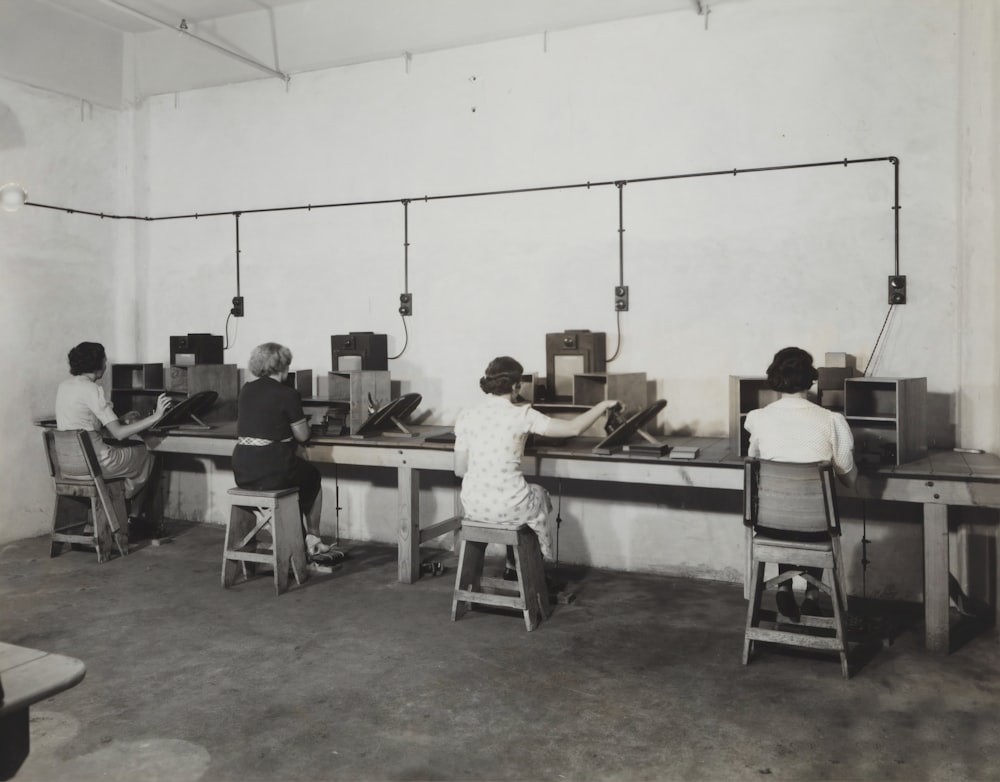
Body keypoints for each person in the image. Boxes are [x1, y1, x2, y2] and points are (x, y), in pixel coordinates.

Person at [454, 356, 619, 577]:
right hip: (510, 506)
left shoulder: (466, 416)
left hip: (474, 506)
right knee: (538, 494)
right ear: (516, 386)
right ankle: (527, 570)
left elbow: (459, 470)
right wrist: (604, 405)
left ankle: (512, 568)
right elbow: (573, 429)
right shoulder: (523, 414)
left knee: (518, 497)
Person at [743, 346, 858, 621]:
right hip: (816, 529)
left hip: (770, 525)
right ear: (811, 379)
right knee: (814, 512)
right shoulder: (831, 421)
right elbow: (849, 478)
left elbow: (754, 460)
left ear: (775, 378)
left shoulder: (758, 418)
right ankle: (811, 596)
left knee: (784, 505)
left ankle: (783, 588)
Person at [232, 342, 339, 563]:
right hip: (272, 468)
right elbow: (302, 436)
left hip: (243, 469)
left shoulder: (246, 390)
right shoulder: (288, 393)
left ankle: (294, 539)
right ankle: (312, 538)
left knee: (295, 479)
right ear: (283, 366)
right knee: (312, 477)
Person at [55, 341, 171, 527]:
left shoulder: (65, 386)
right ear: (97, 364)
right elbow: (119, 434)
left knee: (131, 451)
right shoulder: (93, 389)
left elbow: (84, 423)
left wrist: (119, 418)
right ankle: (128, 509)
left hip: (70, 466)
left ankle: (123, 507)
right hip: (96, 464)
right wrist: (155, 416)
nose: (106, 363)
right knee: (150, 449)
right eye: (104, 359)